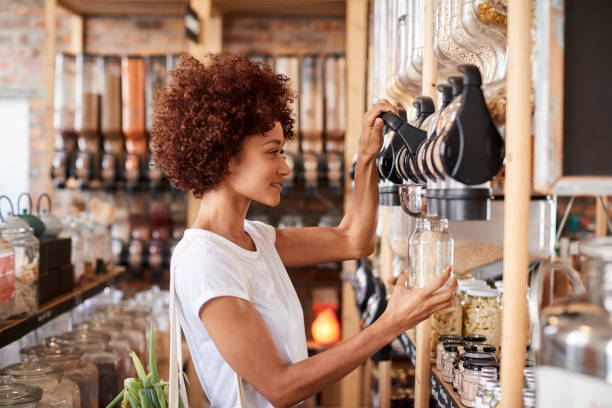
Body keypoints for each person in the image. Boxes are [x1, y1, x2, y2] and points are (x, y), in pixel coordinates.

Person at [151, 54, 457, 408]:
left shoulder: (255, 238)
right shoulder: (206, 261)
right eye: (273, 152)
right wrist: (391, 323)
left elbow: (353, 240)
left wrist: (367, 155)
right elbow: (279, 387)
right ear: (225, 157)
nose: (285, 167)